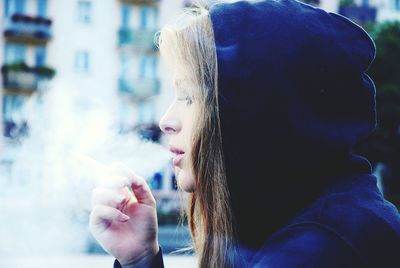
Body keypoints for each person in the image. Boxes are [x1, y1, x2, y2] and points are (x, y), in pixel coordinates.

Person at [89, 0, 400, 267]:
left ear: (253, 109)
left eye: (188, 97)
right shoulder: (325, 225)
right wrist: (142, 258)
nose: (166, 120)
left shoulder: (316, 252)